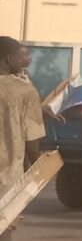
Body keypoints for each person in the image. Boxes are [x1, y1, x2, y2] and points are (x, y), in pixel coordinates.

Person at [0, 38, 44, 178]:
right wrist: (37, 165)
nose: (26, 61)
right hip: (7, 175)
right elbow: (31, 135)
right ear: (9, 59)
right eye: (21, 58)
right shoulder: (25, 90)